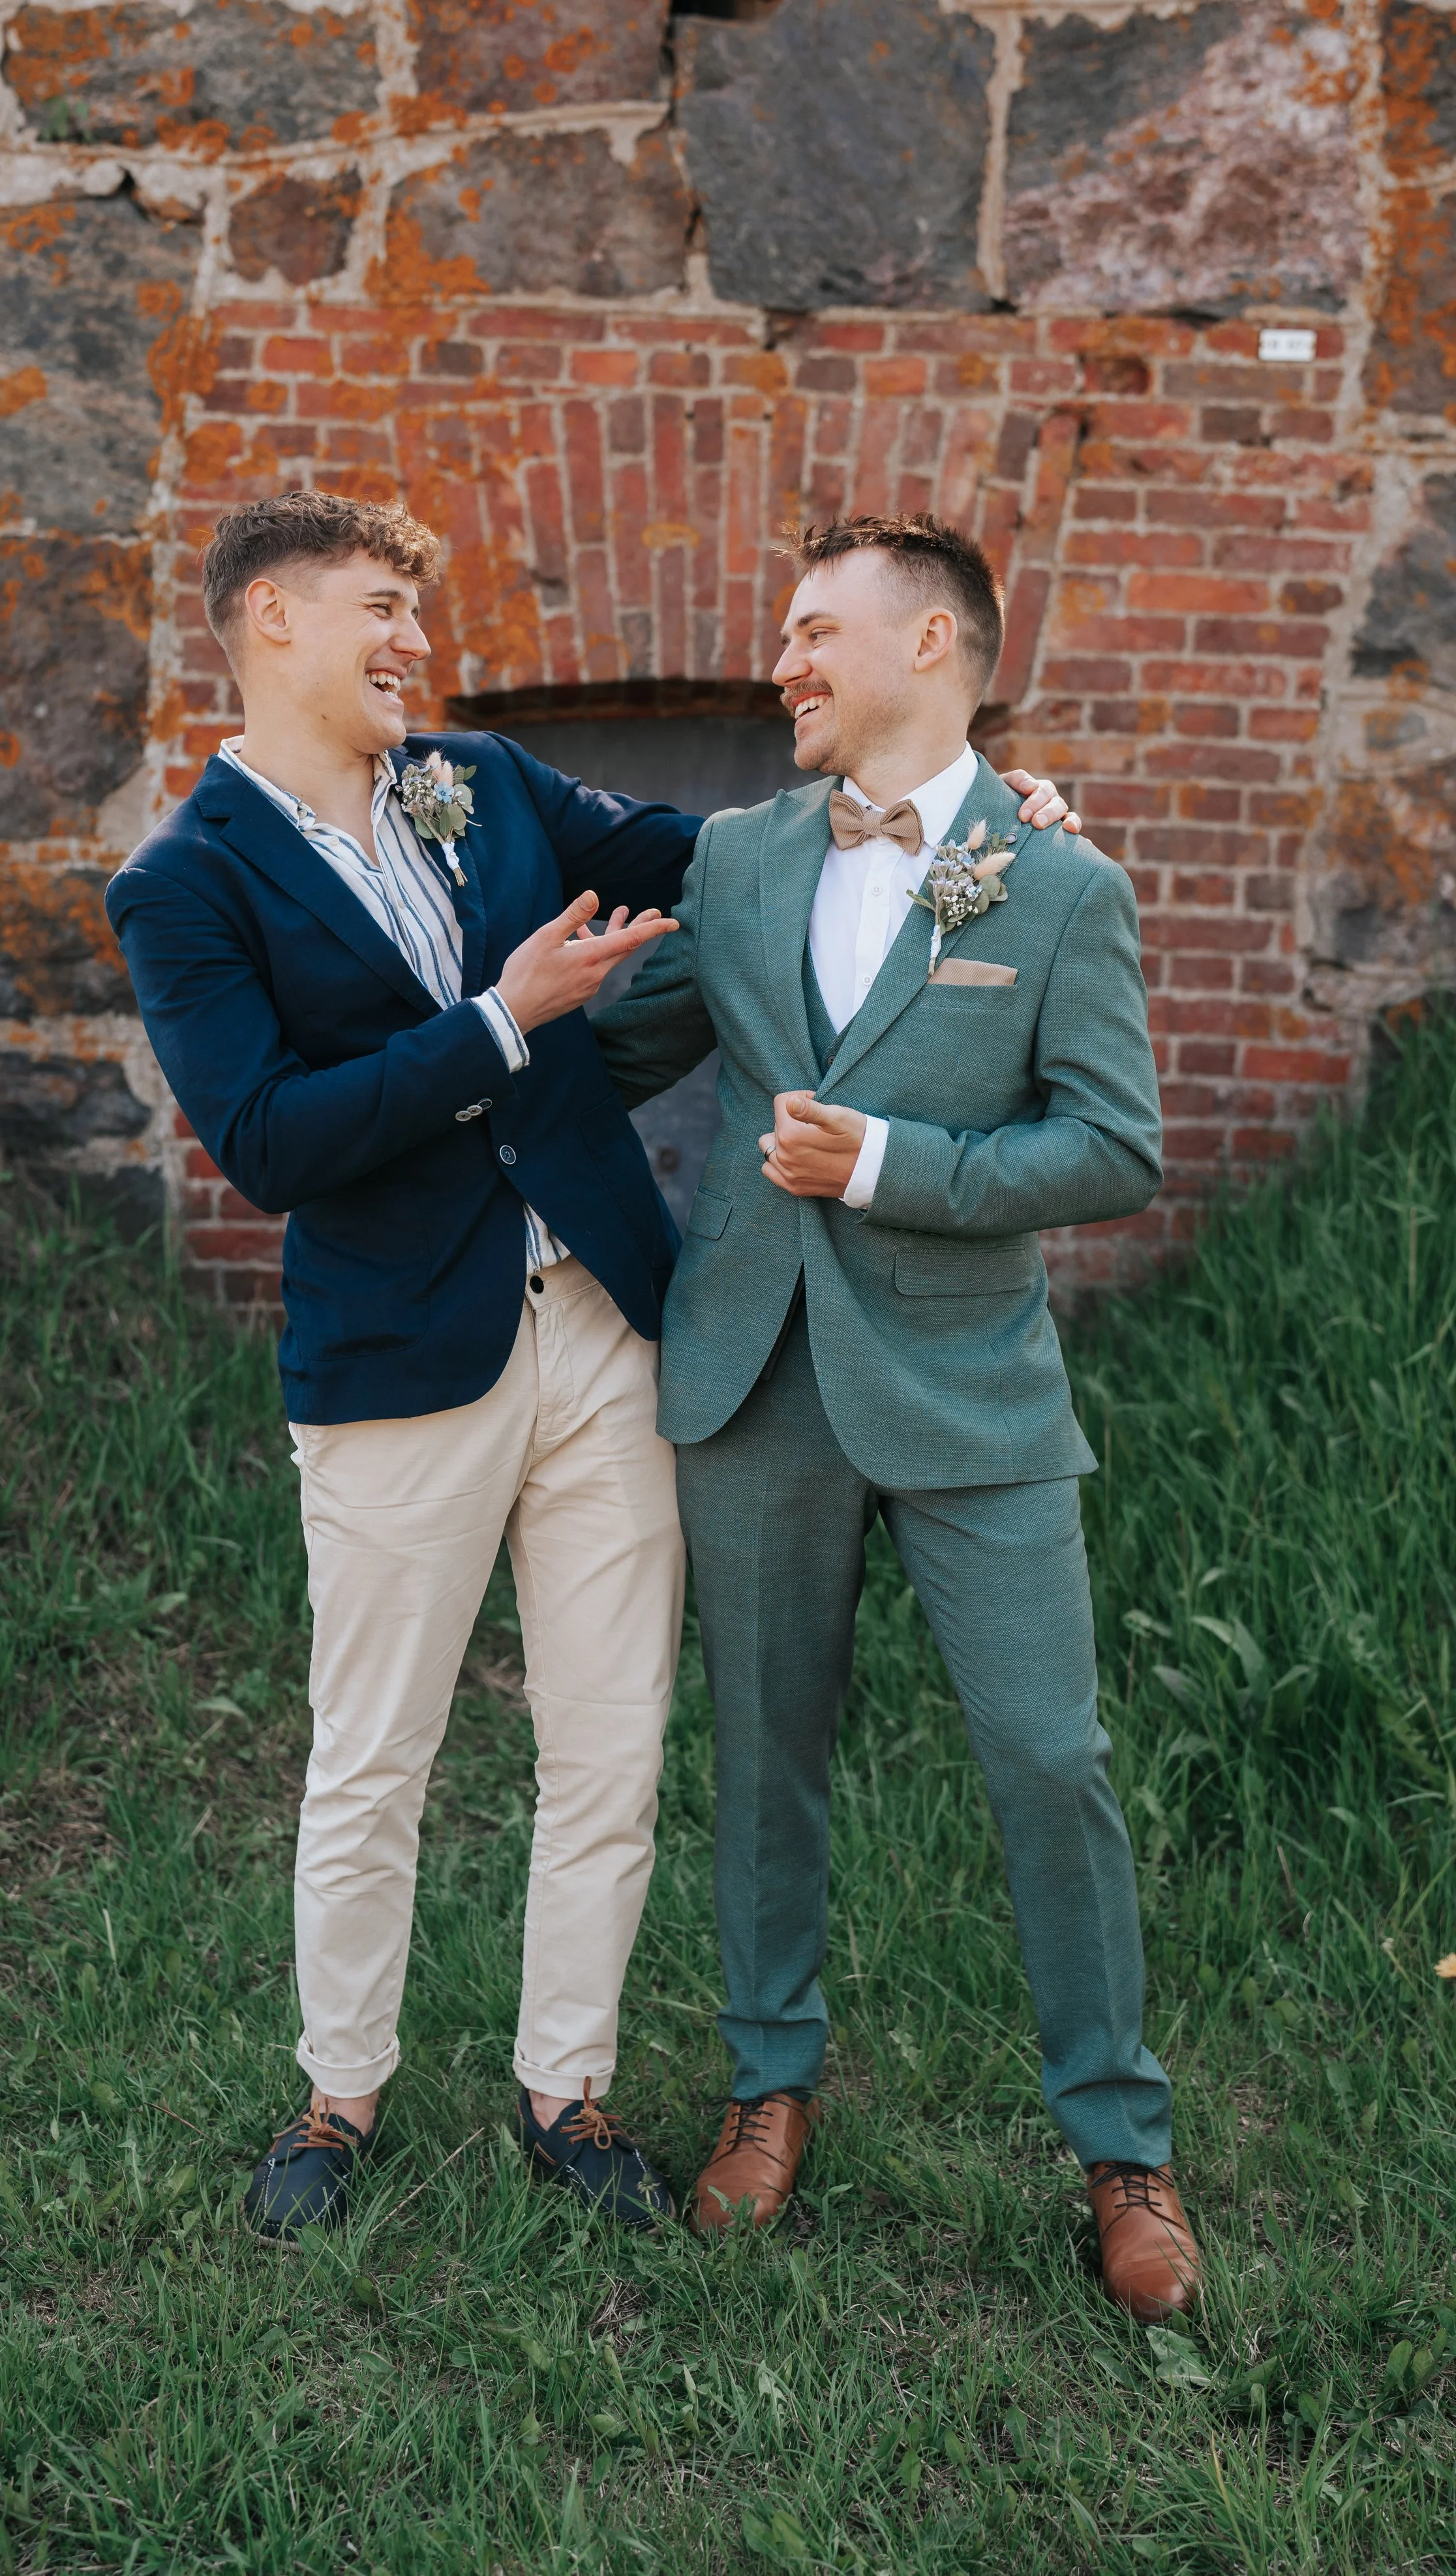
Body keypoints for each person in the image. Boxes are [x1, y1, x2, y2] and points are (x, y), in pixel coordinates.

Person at [104, 487, 1081, 2246]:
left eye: (419, 605)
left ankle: (568, 2086)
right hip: (402, 1352)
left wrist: (961, 822)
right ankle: (339, 2094)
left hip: (607, 1328)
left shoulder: (477, 780)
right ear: (267, 627)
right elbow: (263, 1136)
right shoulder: (180, 882)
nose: (413, 636)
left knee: (611, 1742)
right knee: (373, 1752)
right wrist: (503, 1021)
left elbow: (715, 857)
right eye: (375, 606)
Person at [592, 512, 1200, 2320]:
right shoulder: (733, 860)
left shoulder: (1058, 884)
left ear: (932, 642)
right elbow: (608, 1052)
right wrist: (454, 1035)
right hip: (752, 1378)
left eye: (809, 630)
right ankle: (766, 2084)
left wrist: (894, 1161)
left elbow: (1114, 1142)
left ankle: (1119, 2142)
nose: (778, 661)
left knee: (1048, 1755)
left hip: (969, 1389)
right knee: (763, 1750)